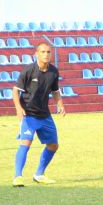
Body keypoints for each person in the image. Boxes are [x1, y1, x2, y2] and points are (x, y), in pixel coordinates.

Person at [12, 42, 66, 187]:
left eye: (48, 52)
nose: (46, 54)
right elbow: (15, 90)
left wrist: (59, 104)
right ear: (36, 54)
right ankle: (18, 176)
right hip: (29, 114)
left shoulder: (54, 71)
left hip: (45, 115)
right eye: (43, 52)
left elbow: (55, 91)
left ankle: (39, 174)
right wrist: (18, 108)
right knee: (26, 142)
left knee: (53, 145)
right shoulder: (29, 70)